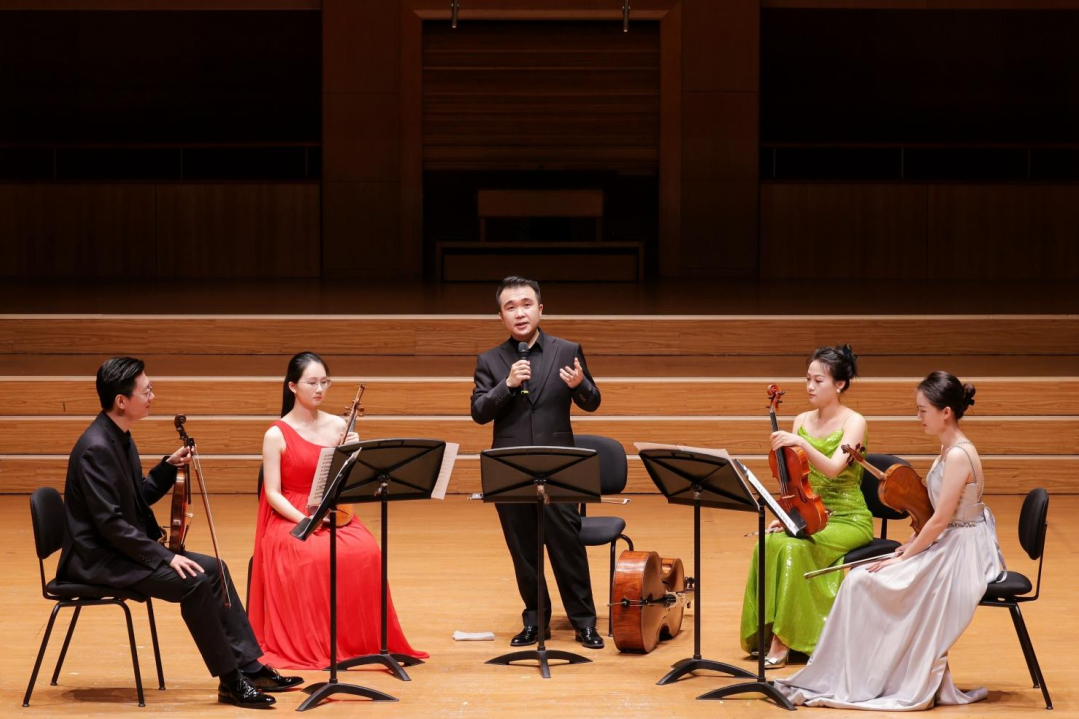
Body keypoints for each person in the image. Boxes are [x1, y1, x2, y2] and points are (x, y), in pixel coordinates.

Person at [58, 357, 301, 709]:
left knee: (214, 569)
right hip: (98, 560)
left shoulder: (119, 437)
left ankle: (250, 668)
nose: (152, 396)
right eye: (146, 391)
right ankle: (230, 681)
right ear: (121, 401)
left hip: (120, 550)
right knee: (195, 582)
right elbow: (111, 524)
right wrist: (165, 557)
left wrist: (167, 469)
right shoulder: (96, 447)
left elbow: (137, 498)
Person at [774, 372, 1007, 710]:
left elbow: (941, 520)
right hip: (947, 540)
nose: (918, 416)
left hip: (961, 551)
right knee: (859, 580)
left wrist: (905, 556)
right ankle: (862, 674)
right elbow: (932, 515)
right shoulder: (948, 448)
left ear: (945, 412)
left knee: (862, 582)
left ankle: (869, 677)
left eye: (923, 410)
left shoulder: (959, 455)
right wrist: (911, 542)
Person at [248, 352, 428, 669]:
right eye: (311, 382)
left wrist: (355, 452)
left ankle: (357, 642)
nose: (319, 389)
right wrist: (306, 519)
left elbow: (348, 482)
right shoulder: (275, 434)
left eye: (324, 382)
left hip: (334, 509)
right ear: (292, 386)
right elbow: (273, 493)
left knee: (367, 550)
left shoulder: (338, 426)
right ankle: (317, 642)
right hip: (291, 514)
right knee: (312, 555)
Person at [470, 276, 605, 649]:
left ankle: (584, 622)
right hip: (510, 469)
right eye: (510, 307)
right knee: (524, 552)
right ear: (501, 316)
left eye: (526, 304)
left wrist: (580, 385)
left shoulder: (567, 350)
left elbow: (593, 401)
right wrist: (507, 385)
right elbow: (479, 412)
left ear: (540, 309)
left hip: (559, 467)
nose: (520, 313)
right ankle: (535, 621)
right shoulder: (490, 360)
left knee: (567, 547)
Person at [739, 344, 873, 668]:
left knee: (795, 549)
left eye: (819, 380)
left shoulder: (855, 422)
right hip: (810, 512)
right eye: (808, 379)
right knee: (768, 543)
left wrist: (800, 442)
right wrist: (789, 516)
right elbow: (798, 480)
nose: (810, 386)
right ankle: (766, 632)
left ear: (839, 384)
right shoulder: (800, 419)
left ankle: (784, 640)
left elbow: (833, 468)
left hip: (848, 518)